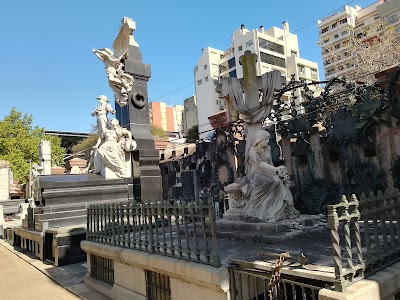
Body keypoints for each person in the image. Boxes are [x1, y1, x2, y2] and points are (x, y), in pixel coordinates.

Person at [244, 130, 299, 222]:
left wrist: (278, 173)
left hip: (268, 174)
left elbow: (270, 163)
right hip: (256, 175)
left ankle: (271, 211)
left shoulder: (268, 148)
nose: (267, 141)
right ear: (259, 139)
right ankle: (288, 206)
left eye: (268, 139)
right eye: (265, 139)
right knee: (276, 181)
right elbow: (260, 163)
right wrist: (276, 170)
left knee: (280, 181)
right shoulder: (253, 150)